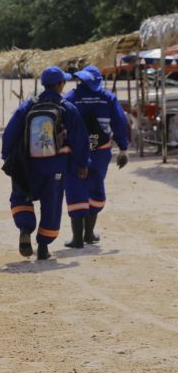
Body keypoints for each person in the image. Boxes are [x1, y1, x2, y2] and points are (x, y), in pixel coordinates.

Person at [1, 66, 90, 261]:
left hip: (27, 165)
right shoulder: (68, 108)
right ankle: (43, 247)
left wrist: (6, 155)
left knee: (21, 196)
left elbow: (11, 131)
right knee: (52, 205)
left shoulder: (28, 106)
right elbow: (79, 139)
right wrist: (82, 163)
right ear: (60, 84)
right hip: (55, 167)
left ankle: (25, 228)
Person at [62, 65, 129, 247]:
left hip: (75, 154)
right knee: (95, 187)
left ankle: (77, 239)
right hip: (101, 152)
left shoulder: (70, 98)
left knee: (76, 188)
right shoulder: (108, 98)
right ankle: (89, 234)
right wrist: (123, 148)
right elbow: (120, 123)